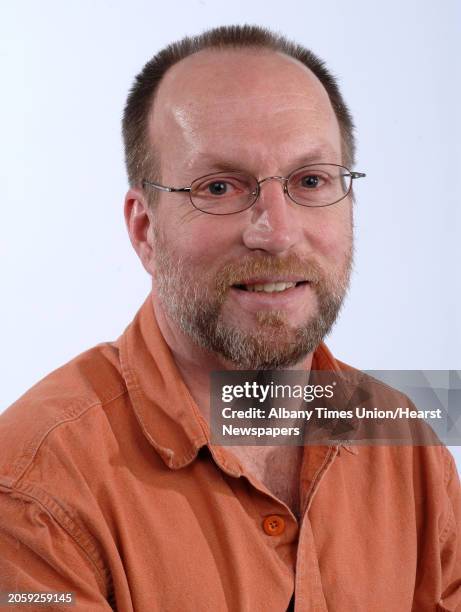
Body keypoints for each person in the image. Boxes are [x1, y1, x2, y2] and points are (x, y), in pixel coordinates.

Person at [0, 24, 459, 611]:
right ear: (145, 229)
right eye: (219, 187)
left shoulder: (407, 442)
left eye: (311, 181)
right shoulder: (35, 491)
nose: (277, 231)